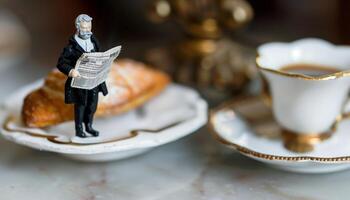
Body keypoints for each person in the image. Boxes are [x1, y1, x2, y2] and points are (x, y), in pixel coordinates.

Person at [56, 14, 108, 138]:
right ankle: (79, 129)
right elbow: (61, 63)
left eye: (89, 27)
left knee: (92, 105)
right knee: (80, 107)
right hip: (80, 84)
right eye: (84, 28)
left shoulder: (93, 41)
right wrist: (71, 71)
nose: (87, 31)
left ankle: (89, 126)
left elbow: (99, 55)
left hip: (94, 81)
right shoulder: (71, 48)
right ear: (78, 27)